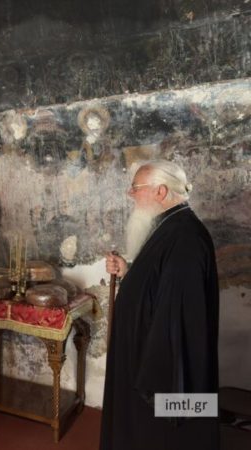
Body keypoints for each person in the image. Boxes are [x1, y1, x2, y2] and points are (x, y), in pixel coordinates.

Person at [101, 160, 219, 450]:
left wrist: (153, 386)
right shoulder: (170, 226)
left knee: (161, 436)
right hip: (143, 359)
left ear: (161, 191)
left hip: (158, 373)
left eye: (136, 188)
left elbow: (178, 320)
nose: (130, 194)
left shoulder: (186, 238)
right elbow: (160, 284)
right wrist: (129, 271)